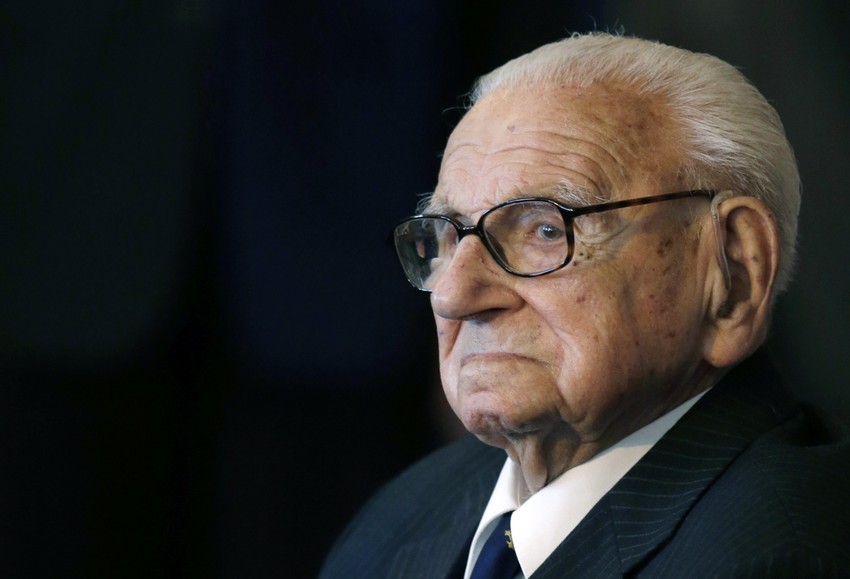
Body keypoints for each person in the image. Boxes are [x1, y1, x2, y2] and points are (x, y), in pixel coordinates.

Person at [320, 33, 850, 578]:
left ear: (733, 275)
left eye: (546, 229)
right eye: (448, 236)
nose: (455, 295)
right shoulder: (401, 514)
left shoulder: (781, 559)